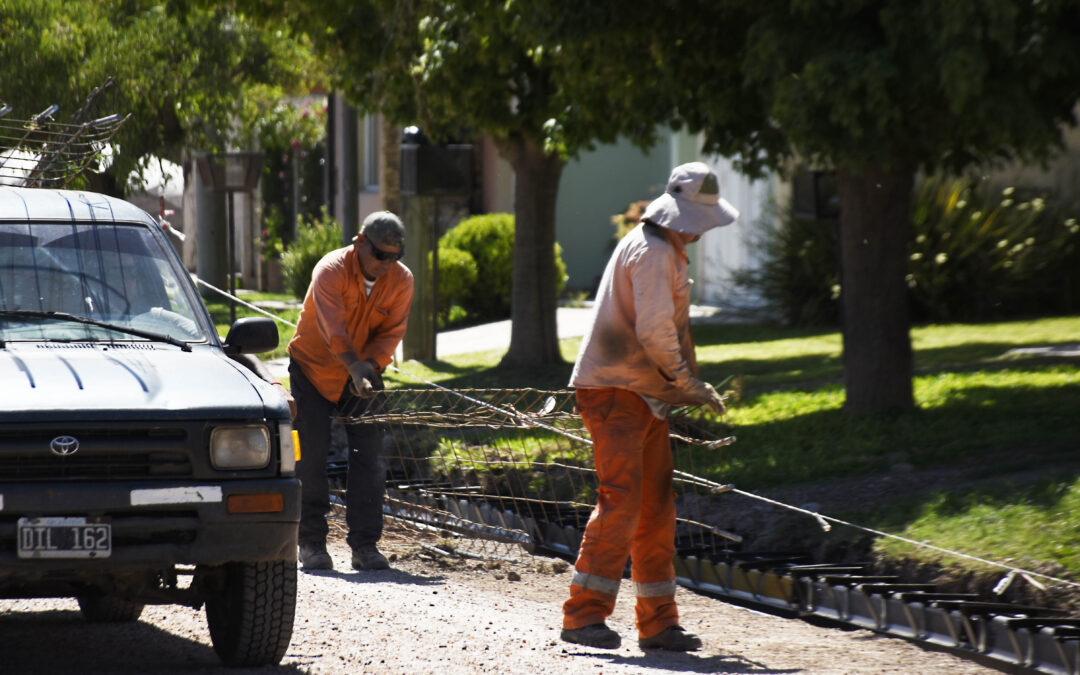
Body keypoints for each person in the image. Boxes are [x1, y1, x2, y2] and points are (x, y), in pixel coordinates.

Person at [560, 162, 736, 651]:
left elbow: (667, 330)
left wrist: (682, 385)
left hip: (640, 394)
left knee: (657, 508)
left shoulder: (664, 249)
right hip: (618, 392)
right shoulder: (655, 254)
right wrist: (687, 384)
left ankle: (658, 623)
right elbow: (656, 332)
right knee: (623, 501)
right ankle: (582, 616)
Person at [287, 211, 413, 572]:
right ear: (360, 243)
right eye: (380, 255)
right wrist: (354, 366)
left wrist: (369, 368)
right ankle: (311, 542)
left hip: (363, 371)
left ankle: (365, 545)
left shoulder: (402, 282)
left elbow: (391, 332)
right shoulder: (331, 270)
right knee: (310, 455)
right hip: (312, 367)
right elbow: (333, 329)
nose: (387, 264)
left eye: (395, 257)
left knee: (370, 454)